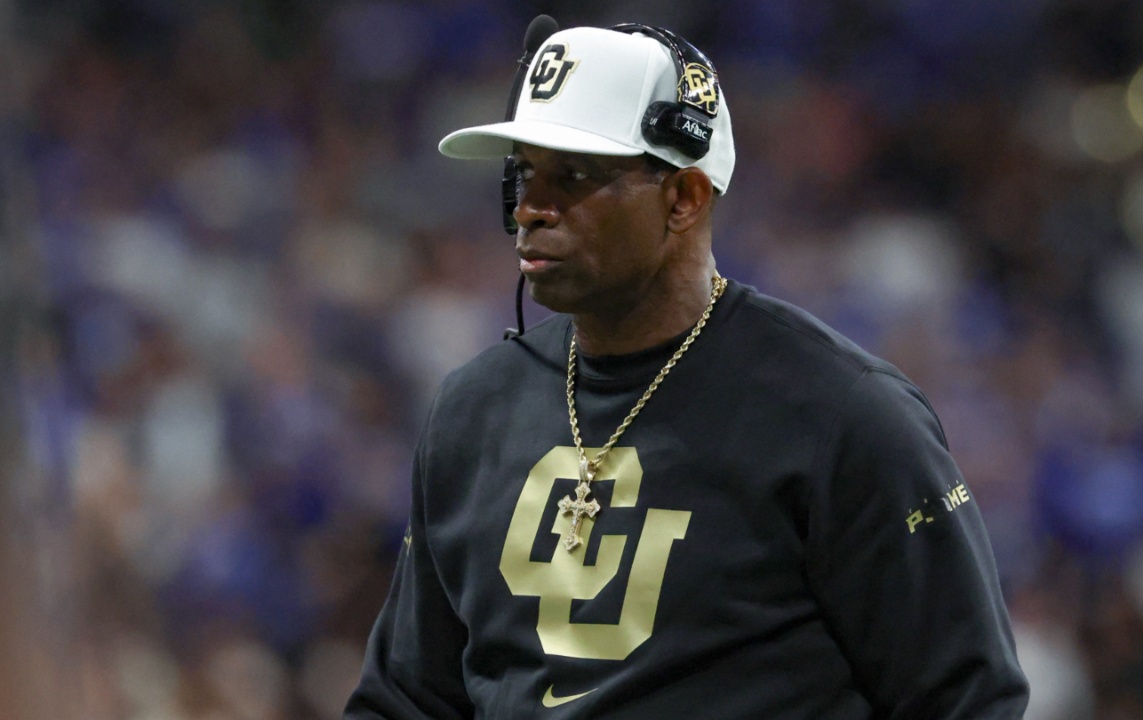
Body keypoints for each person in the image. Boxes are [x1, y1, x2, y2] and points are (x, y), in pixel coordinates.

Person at [345, 21, 1029, 719]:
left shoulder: (843, 416)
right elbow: (407, 699)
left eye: (573, 176)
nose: (530, 207)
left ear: (685, 198)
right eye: (523, 173)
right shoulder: (473, 410)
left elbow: (967, 700)